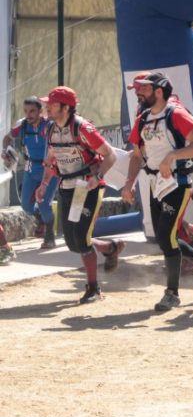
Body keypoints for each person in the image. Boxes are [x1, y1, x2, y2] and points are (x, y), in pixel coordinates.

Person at [121, 72, 193, 311]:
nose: (138, 93)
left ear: (159, 91)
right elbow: (137, 156)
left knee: (166, 237)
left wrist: (172, 155)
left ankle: (172, 294)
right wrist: (129, 183)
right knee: (165, 239)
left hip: (177, 183)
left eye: (143, 89)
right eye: (137, 89)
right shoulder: (143, 119)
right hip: (155, 184)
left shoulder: (176, 114)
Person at [35, 87, 125, 303]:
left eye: (52, 104)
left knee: (82, 239)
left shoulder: (82, 128)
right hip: (67, 188)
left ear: (66, 108)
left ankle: (93, 288)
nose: (47, 107)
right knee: (72, 243)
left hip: (87, 188)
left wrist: (97, 177)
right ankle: (110, 247)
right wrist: (44, 184)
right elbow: (52, 159)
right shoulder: (51, 129)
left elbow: (110, 155)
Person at [4, 96, 57, 248]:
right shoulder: (21, 124)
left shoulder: (50, 125)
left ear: (41, 111)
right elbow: (7, 138)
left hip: (50, 170)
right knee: (26, 206)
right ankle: (42, 219)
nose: (29, 114)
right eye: (26, 111)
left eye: (32, 111)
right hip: (30, 169)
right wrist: (5, 150)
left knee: (43, 203)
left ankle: (49, 237)